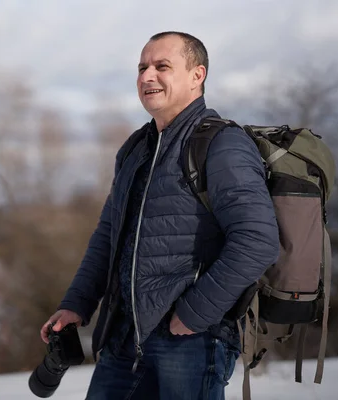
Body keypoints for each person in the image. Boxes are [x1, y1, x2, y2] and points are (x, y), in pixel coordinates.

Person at [40, 31, 280, 400]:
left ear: (197, 75)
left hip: (190, 341)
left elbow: (258, 239)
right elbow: (109, 234)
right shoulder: (136, 148)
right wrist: (77, 303)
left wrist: (195, 314)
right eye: (142, 67)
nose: (146, 76)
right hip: (123, 338)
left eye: (161, 66)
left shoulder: (221, 144)